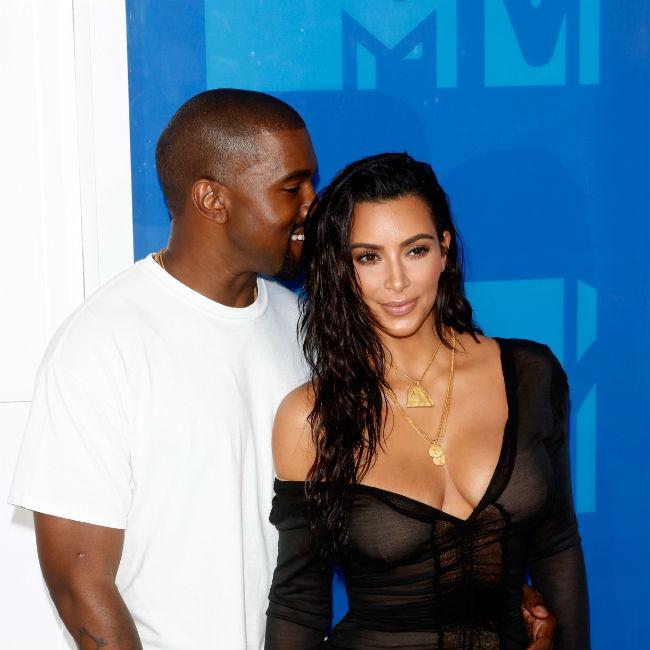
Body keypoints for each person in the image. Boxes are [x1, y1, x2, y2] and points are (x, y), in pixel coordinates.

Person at [9, 90, 554, 650]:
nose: (314, 206)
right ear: (212, 199)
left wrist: (480, 583)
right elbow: (79, 583)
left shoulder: (307, 326)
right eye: (292, 188)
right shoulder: (101, 344)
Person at [266, 153, 589, 649]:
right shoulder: (310, 418)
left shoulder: (531, 374)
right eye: (368, 257)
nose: (396, 281)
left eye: (414, 250)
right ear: (342, 269)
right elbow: (300, 605)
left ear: (444, 249)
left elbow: (557, 546)